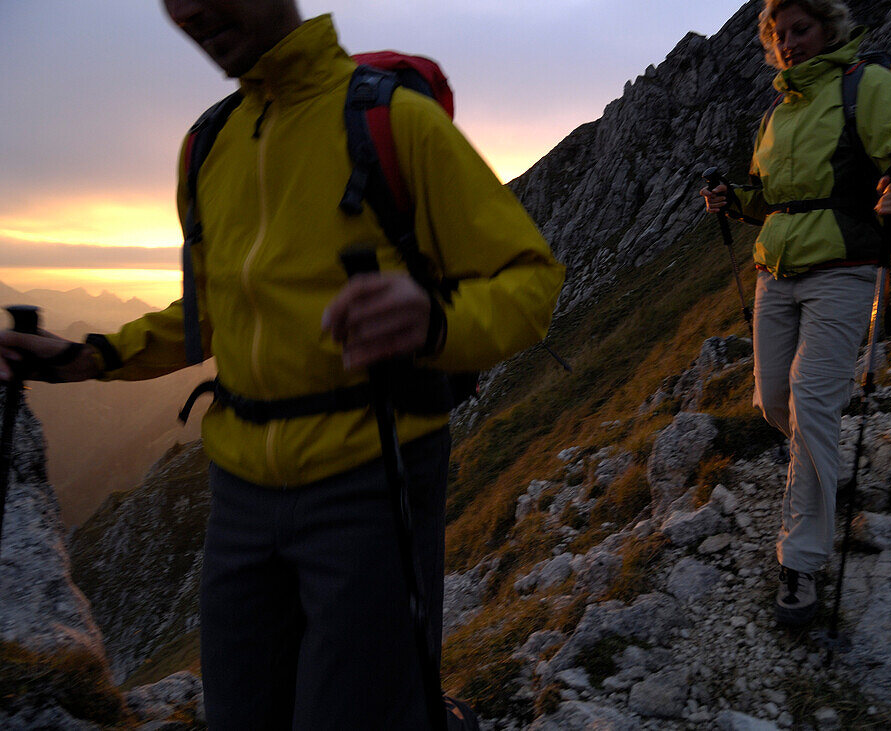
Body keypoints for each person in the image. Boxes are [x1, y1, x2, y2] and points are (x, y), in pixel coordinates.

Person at [0, 0, 564, 726]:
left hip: (372, 476)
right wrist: (91, 355)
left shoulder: (393, 122)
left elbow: (531, 280)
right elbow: (211, 314)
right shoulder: (207, 144)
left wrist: (435, 320)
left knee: (355, 713)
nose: (193, 10)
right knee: (241, 711)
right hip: (237, 493)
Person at [700, 0, 891, 627]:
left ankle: (801, 563)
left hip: (844, 270)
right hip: (774, 274)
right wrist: (736, 200)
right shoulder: (775, 116)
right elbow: (776, 200)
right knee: (772, 402)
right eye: (778, 36)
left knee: (810, 401)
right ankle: (823, 472)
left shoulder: (869, 86)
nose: (789, 44)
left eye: (800, 30)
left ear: (829, 29)